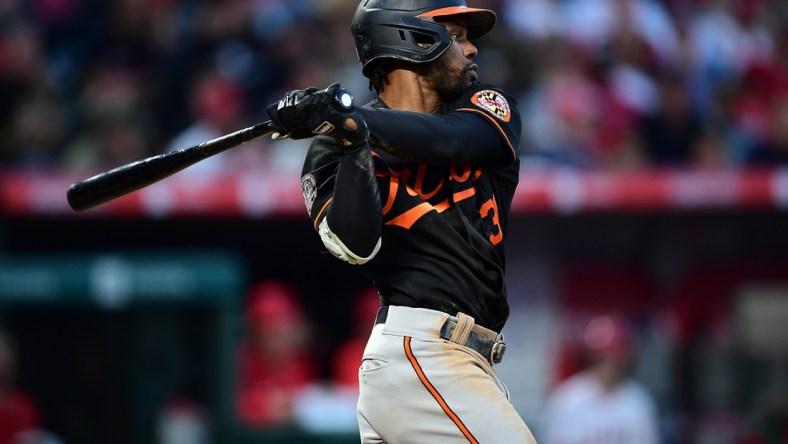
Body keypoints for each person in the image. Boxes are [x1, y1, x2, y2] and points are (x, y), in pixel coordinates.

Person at [264, 1, 535, 442]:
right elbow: (354, 246)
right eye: (458, 35)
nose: (471, 50)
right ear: (413, 39)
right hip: (421, 354)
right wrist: (352, 141)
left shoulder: (484, 106)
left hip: (457, 364)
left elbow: (450, 142)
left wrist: (351, 118)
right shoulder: (333, 151)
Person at [540, 314, 660, 444]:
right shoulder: (565, 400)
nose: (613, 363)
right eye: (605, 356)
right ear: (593, 357)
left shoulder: (638, 400)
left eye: (619, 355)